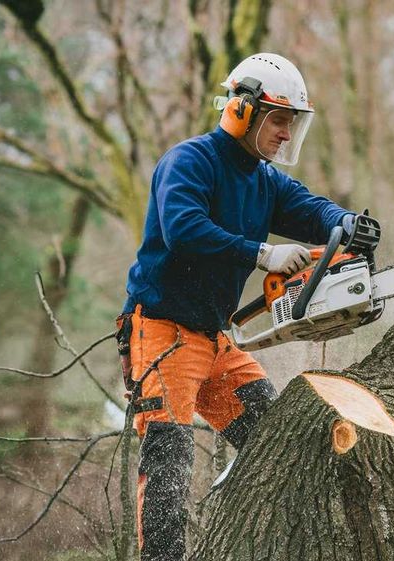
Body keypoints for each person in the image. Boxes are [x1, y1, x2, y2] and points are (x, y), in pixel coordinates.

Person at [115, 53, 364, 560]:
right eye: (278, 120)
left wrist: (347, 223)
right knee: (169, 458)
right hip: (162, 331)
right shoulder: (189, 161)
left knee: (272, 441)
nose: (285, 134)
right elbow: (183, 228)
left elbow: (309, 208)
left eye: (292, 124)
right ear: (243, 110)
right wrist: (262, 253)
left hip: (215, 338)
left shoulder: (264, 179)